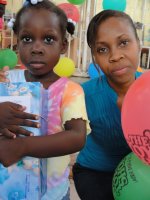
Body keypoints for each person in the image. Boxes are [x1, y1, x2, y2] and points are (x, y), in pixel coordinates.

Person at [0, 0, 90, 199]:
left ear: (63, 45)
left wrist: (21, 147)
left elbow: (77, 137)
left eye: (48, 39)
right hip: (10, 189)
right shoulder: (7, 81)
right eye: (27, 39)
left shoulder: (70, 90)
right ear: (17, 41)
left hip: (53, 194)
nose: (37, 48)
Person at [73, 10, 142, 200]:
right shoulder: (83, 94)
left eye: (123, 43)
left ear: (139, 43)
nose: (115, 56)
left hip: (142, 172)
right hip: (94, 172)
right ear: (94, 57)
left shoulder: (148, 88)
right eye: (102, 49)